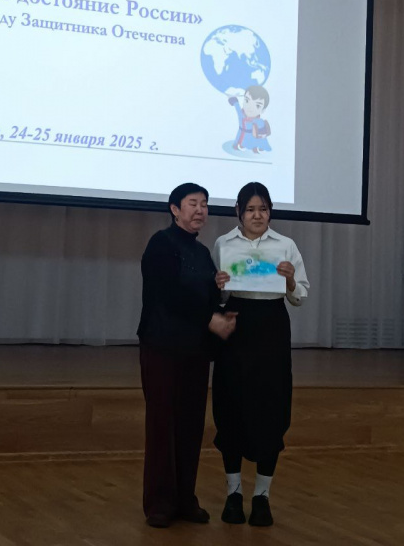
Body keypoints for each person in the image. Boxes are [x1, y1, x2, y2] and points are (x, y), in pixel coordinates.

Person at [138, 182, 237, 529]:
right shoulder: (161, 244)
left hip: (194, 350)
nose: (200, 210)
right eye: (192, 203)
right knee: (162, 424)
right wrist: (210, 319)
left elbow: (205, 299)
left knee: (191, 425)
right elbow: (168, 294)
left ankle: (185, 500)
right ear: (174, 209)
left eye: (204, 204)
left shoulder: (202, 252)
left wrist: (220, 297)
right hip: (162, 347)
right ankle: (159, 503)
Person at [211, 181, 308, 527]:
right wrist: (219, 288)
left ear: (270, 212)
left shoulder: (286, 245)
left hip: (271, 329)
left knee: (271, 407)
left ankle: (262, 497)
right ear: (238, 212)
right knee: (231, 404)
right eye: (250, 209)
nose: (257, 215)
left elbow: (300, 296)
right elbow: (217, 298)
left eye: (263, 209)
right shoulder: (223, 243)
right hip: (236, 326)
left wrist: (291, 281)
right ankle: (234, 494)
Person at [229, 86, 271, 153]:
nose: (250, 107)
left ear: (263, 110)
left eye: (257, 105)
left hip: (254, 139)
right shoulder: (241, 115)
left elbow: (263, 135)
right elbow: (237, 107)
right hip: (241, 138)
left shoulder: (260, 122)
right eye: (247, 101)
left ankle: (258, 147)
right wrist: (234, 100)